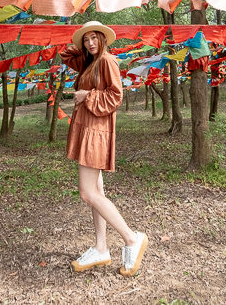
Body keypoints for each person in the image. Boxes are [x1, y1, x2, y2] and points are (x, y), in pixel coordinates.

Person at [61, 20, 148, 276]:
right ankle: (101, 248)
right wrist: (82, 46)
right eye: (86, 39)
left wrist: (86, 95)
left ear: (103, 38)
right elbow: (66, 54)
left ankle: (132, 239)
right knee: (96, 190)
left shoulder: (107, 61)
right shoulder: (91, 62)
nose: (90, 43)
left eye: (94, 38)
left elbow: (115, 95)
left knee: (88, 193)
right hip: (88, 128)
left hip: (96, 132)